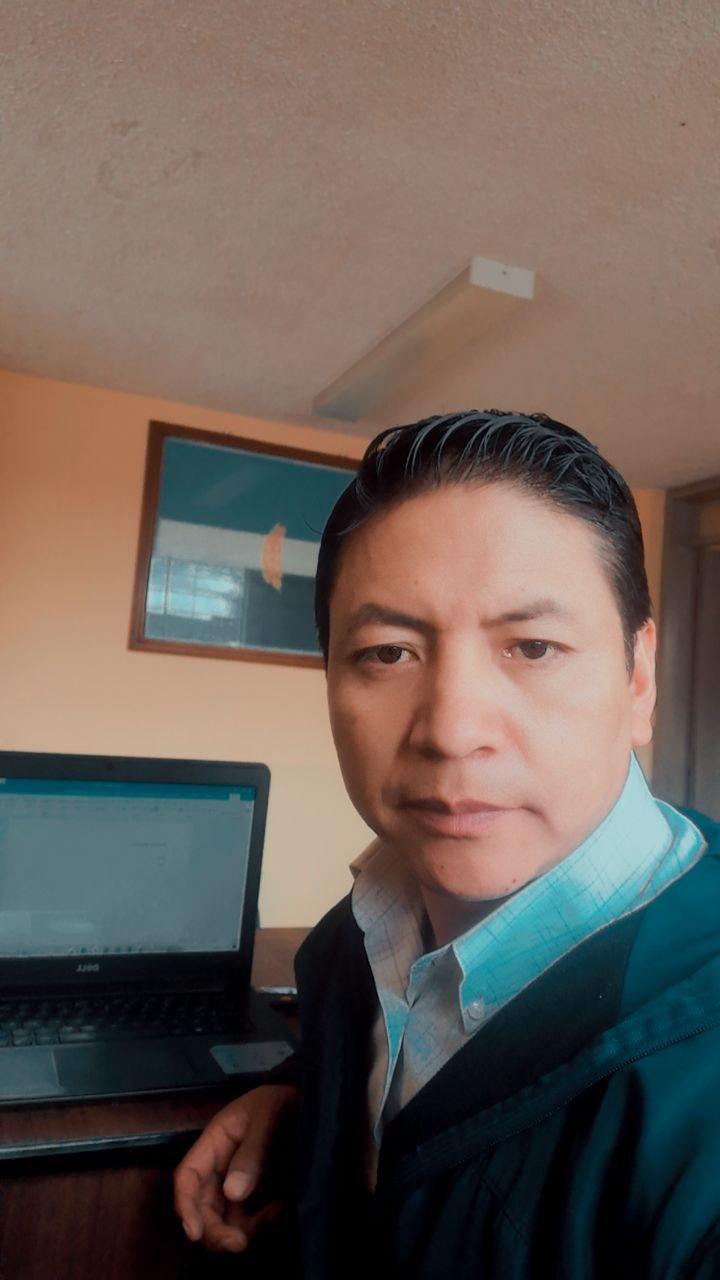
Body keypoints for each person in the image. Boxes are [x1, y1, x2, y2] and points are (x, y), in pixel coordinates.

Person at [174, 410, 720, 1278]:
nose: (451, 730)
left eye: (533, 646)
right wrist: (308, 1099)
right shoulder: (363, 933)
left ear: (639, 676)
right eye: (388, 653)